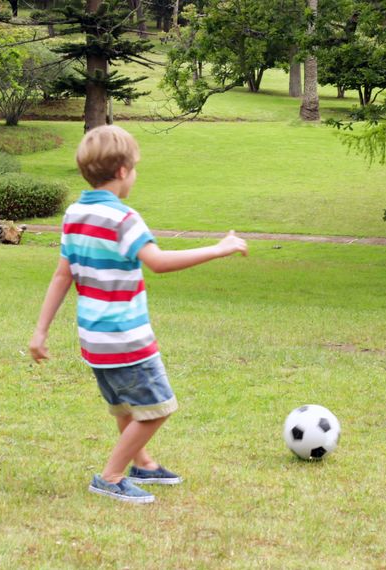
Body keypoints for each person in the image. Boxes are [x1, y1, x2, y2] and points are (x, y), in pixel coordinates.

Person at [28, 125, 248, 504]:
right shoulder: (124, 218)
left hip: (94, 339)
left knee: (125, 405)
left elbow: (62, 274)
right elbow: (158, 263)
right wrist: (218, 248)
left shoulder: (74, 213)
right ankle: (110, 476)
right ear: (123, 172)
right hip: (125, 337)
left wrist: (40, 331)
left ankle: (143, 464)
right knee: (158, 408)